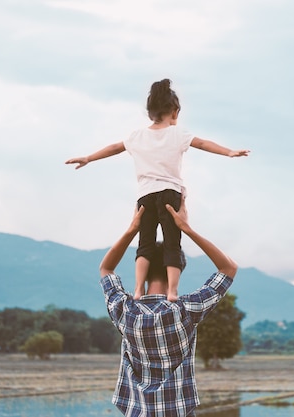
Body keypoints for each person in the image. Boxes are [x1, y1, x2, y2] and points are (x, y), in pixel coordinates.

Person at [66, 78, 249, 301]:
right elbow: (202, 143)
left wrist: (89, 157)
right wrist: (228, 152)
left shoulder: (136, 136)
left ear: (150, 112)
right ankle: (172, 291)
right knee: (172, 242)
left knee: (145, 244)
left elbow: (115, 147)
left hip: (145, 195)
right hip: (170, 192)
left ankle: (138, 289)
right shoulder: (178, 133)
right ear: (174, 111)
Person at [99, 199, 238, 417]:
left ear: (142, 271)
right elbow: (228, 268)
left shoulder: (124, 310)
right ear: (177, 270)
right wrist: (185, 229)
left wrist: (133, 230)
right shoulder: (185, 310)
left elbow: (106, 268)